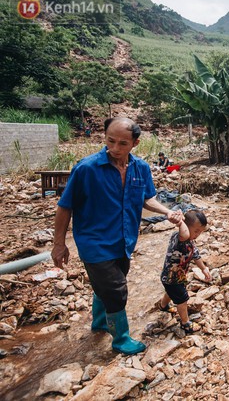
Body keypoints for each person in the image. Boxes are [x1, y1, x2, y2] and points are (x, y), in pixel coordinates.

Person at [52, 117, 183, 355]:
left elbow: (147, 199)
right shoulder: (86, 168)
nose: (114, 148)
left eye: (123, 143)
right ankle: (120, 339)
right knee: (116, 289)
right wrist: (58, 244)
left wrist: (167, 212)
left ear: (135, 143)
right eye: (110, 141)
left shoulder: (140, 168)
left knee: (108, 284)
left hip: (124, 241)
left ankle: (100, 322)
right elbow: (65, 206)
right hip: (94, 242)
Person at [156, 209, 211, 333]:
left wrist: (204, 269)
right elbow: (185, 234)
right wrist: (180, 223)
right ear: (185, 226)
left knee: (170, 293)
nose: (197, 235)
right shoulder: (180, 238)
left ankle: (163, 306)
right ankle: (185, 323)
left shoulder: (190, 241)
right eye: (196, 231)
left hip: (174, 277)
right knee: (182, 299)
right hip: (172, 278)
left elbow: (196, 255)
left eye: (200, 232)